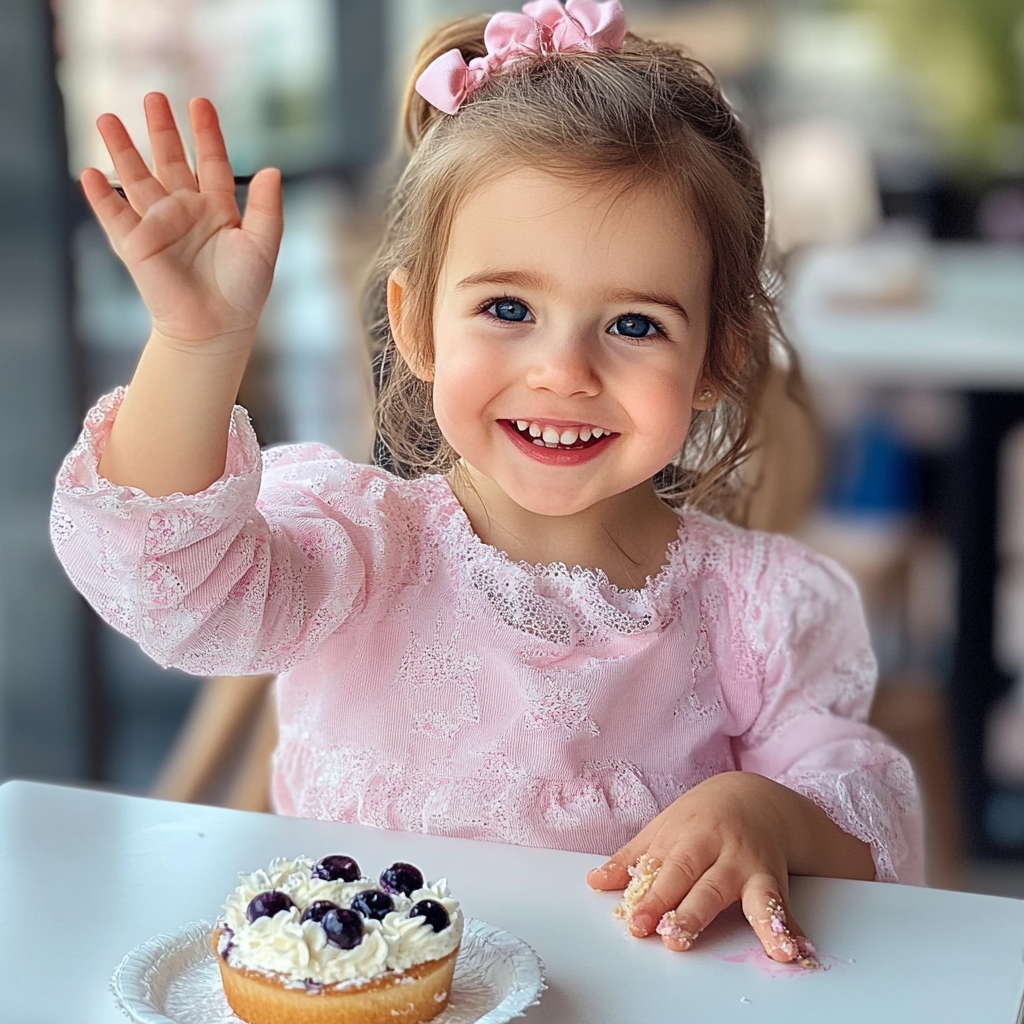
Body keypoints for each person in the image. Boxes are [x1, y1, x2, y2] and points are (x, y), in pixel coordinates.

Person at [51, 0, 923, 966]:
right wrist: (196, 343)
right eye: (508, 307)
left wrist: (770, 814)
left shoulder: (757, 609)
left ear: (717, 356)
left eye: (635, 324)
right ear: (417, 324)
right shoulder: (357, 547)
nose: (565, 370)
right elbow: (167, 579)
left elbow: (874, 827)